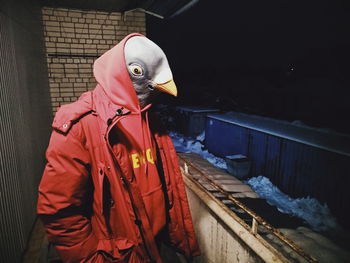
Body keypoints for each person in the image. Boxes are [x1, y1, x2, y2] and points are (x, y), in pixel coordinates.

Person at [37, 33, 200, 263]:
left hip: (156, 246)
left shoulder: (150, 119)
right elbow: (59, 211)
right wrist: (92, 258)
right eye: (137, 71)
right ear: (119, 71)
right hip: (120, 254)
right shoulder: (81, 125)